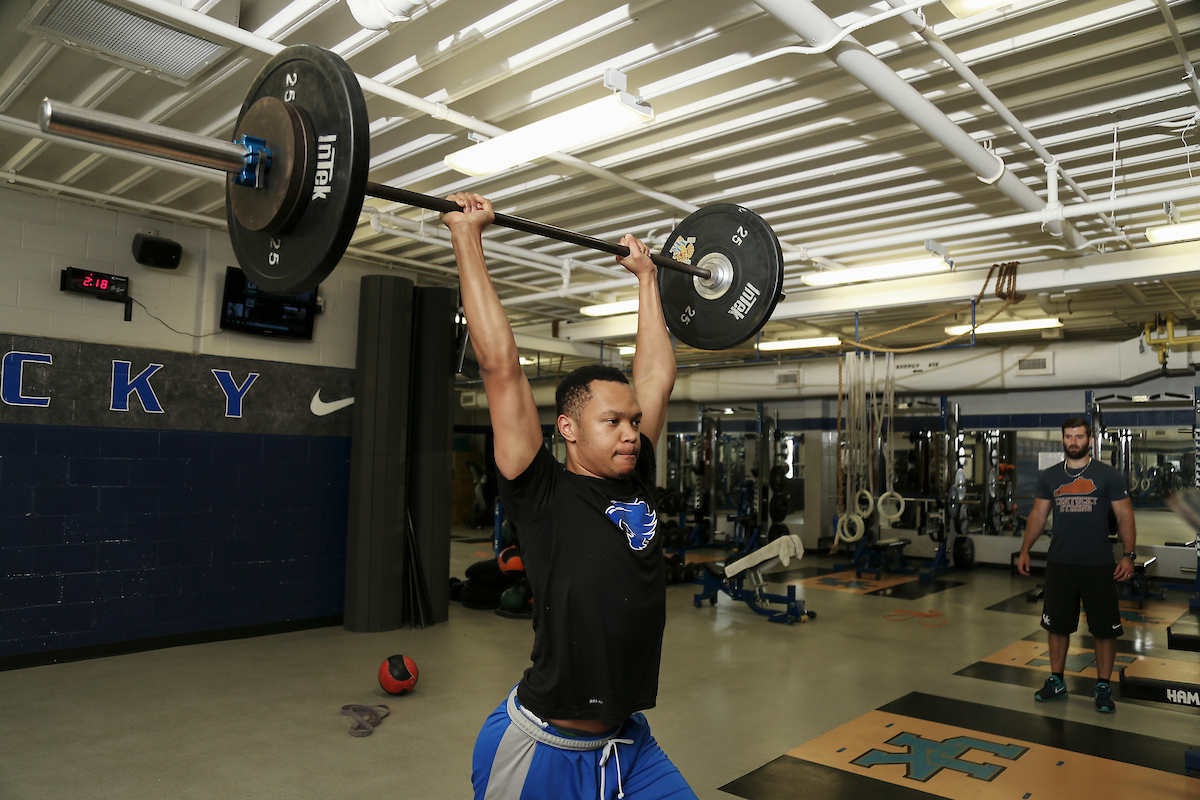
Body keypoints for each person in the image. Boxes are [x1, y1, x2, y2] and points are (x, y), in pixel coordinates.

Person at [442, 192, 695, 800]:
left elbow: (657, 374)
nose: (632, 433)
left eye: (634, 421)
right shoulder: (540, 489)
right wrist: (467, 238)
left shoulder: (636, 473)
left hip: (629, 743)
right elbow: (500, 365)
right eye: (614, 422)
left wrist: (648, 279)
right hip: (543, 748)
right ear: (569, 429)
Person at [1016, 417, 1136, 713]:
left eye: (1079, 437)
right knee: (1057, 626)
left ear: (1090, 440)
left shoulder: (1108, 475)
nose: (1074, 442)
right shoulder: (1050, 476)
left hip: (1098, 563)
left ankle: (1103, 685)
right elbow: (1039, 516)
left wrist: (1128, 555)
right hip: (1060, 562)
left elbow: (1125, 517)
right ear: (1063, 441)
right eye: (1069, 437)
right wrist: (1024, 550)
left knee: (1105, 630)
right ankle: (1056, 679)